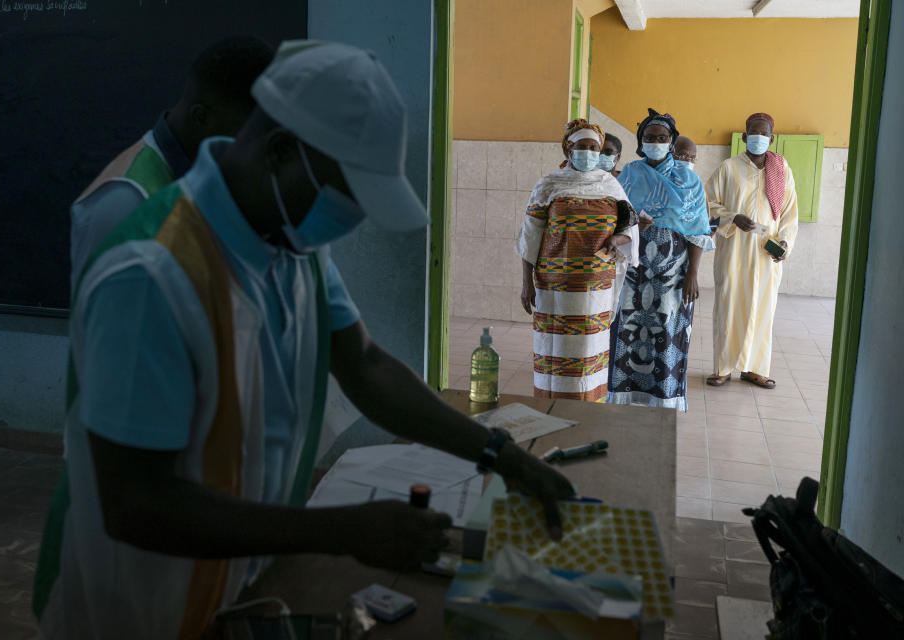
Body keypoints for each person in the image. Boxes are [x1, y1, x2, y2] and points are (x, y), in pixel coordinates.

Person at [33, 40, 574, 640]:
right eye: (346, 197)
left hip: (237, 581)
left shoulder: (290, 245)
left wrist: (499, 454)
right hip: (136, 605)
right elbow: (136, 501)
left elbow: (365, 364)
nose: (352, 219)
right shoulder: (152, 274)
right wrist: (340, 532)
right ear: (280, 151)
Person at [69, 36, 274, 292]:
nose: (255, 150)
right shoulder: (125, 201)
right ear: (201, 118)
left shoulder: (216, 178)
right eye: (245, 134)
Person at [516, 119, 639, 401]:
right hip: (554, 289)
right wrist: (527, 284)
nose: (588, 152)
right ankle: (553, 407)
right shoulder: (548, 185)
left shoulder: (609, 185)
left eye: (593, 147)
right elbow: (529, 238)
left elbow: (628, 228)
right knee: (556, 350)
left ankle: (590, 407)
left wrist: (614, 240)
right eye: (581, 146)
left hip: (596, 288)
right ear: (568, 149)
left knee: (589, 351)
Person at [606, 109, 714, 411]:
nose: (656, 142)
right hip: (633, 270)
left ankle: (665, 398)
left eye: (662, 138)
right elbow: (615, 220)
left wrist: (693, 273)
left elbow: (697, 232)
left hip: (672, 273)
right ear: (641, 142)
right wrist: (632, 227)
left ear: (672, 141)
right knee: (628, 327)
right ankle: (624, 393)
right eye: (649, 138)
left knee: (667, 331)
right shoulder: (629, 174)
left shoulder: (688, 181)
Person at [704, 112, 799, 389]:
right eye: (753, 133)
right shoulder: (728, 168)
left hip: (765, 254)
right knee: (729, 304)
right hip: (734, 249)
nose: (758, 138)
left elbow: (790, 213)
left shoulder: (782, 170)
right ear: (744, 137)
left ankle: (755, 368)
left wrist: (784, 243)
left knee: (763, 308)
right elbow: (707, 204)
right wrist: (732, 217)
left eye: (764, 133)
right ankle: (723, 367)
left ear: (772, 138)